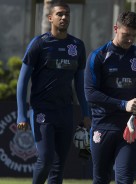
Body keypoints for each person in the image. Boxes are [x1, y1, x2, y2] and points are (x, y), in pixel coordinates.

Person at [16, 1, 91, 184]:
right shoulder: (39, 44)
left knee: (59, 166)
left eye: (67, 14)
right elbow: (22, 81)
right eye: (59, 14)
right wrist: (21, 115)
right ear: (50, 18)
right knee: (46, 159)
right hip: (42, 111)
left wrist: (86, 113)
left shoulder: (77, 46)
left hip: (65, 112)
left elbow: (80, 85)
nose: (64, 17)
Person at [84, 11, 136, 184]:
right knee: (101, 179)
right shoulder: (98, 56)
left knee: (125, 180)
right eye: (126, 34)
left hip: (130, 128)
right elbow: (90, 94)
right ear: (116, 28)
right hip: (103, 126)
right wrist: (124, 104)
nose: (130, 39)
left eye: (134, 35)